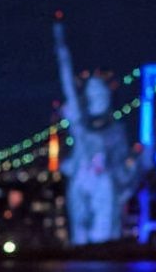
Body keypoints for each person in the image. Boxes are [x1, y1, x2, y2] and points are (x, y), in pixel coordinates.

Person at [53, 19, 147, 245]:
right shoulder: (79, 120)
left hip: (102, 180)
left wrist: (135, 164)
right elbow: (66, 80)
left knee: (103, 233)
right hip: (81, 177)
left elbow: (122, 165)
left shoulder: (115, 130)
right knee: (80, 234)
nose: (98, 99)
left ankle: (100, 260)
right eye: (94, 95)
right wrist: (60, 41)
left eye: (101, 95)